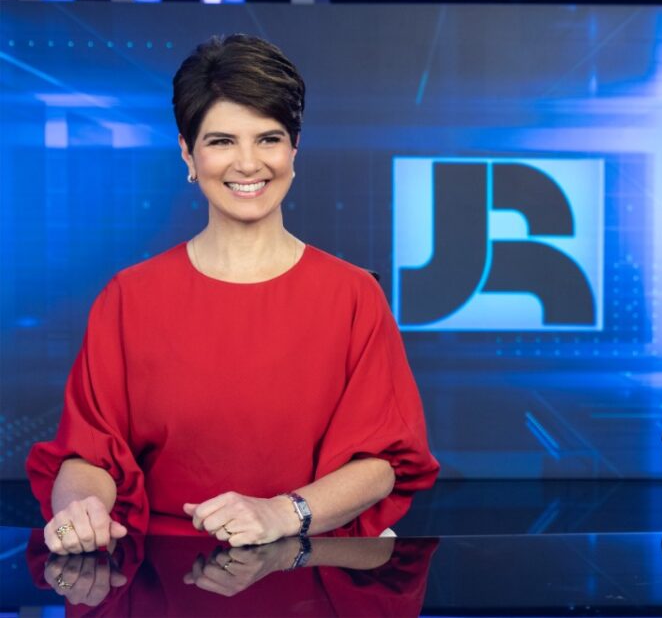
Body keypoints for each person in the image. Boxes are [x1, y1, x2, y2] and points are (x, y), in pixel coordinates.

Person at [27, 34, 439, 554]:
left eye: (268, 139)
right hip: (164, 571)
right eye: (222, 141)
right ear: (188, 153)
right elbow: (89, 456)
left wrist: (280, 513)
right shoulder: (129, 297)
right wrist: (79, 510)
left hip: (308, 567)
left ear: (294, 149)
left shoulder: (353, 295)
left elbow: (381, 464)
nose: (248, 163)